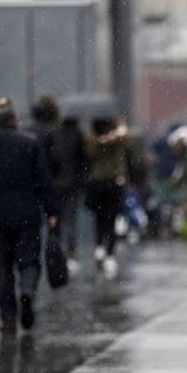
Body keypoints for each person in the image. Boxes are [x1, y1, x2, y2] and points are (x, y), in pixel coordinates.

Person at [0, 97, 57, 334]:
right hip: (27, 214)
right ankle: (27, 291)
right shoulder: (30, 144)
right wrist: (51, 211)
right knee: (29, 261)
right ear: (16, 119)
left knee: (1, 266)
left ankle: (8, 317)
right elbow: (44, 181)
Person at [84, 117, 128, 277]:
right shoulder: (116, 139)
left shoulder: (92, 141)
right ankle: (109, 253)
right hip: (113, 182)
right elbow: (124, 138)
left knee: (100, 218)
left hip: (97, 182)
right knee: (111, 218)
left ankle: (100, 247)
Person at [49, 117, 88, 269]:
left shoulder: (56, 135)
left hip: (58, 183)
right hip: (72, 183)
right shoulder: (78, 136)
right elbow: (83, 160)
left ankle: (57, 251)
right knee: (71, 219)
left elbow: (53, 159)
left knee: (57, 219)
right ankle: (71, 253)